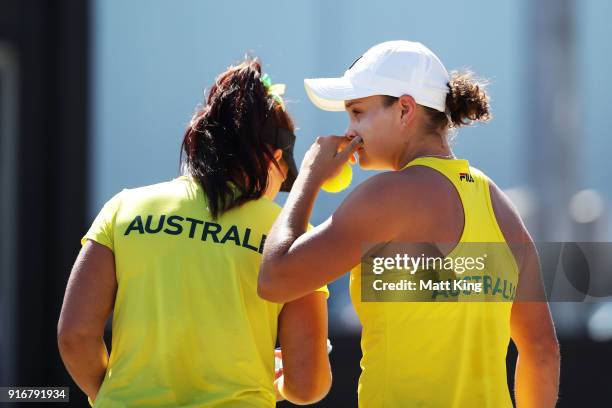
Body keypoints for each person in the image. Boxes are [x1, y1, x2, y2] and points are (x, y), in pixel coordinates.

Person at [259, 41, 560, 407]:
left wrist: (308, 177)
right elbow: (541, 349)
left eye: (357, 113)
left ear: (405, 109)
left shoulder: (386, 196)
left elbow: (275, 278)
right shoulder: (500, 207)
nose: (349, 131)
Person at [58, 58, 332, 407]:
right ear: (273, 157)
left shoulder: (124, 208)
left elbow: (74, 336)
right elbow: (308, 384)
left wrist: (113, 395)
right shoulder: (286, 233)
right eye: (282, 177)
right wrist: (274, 385)